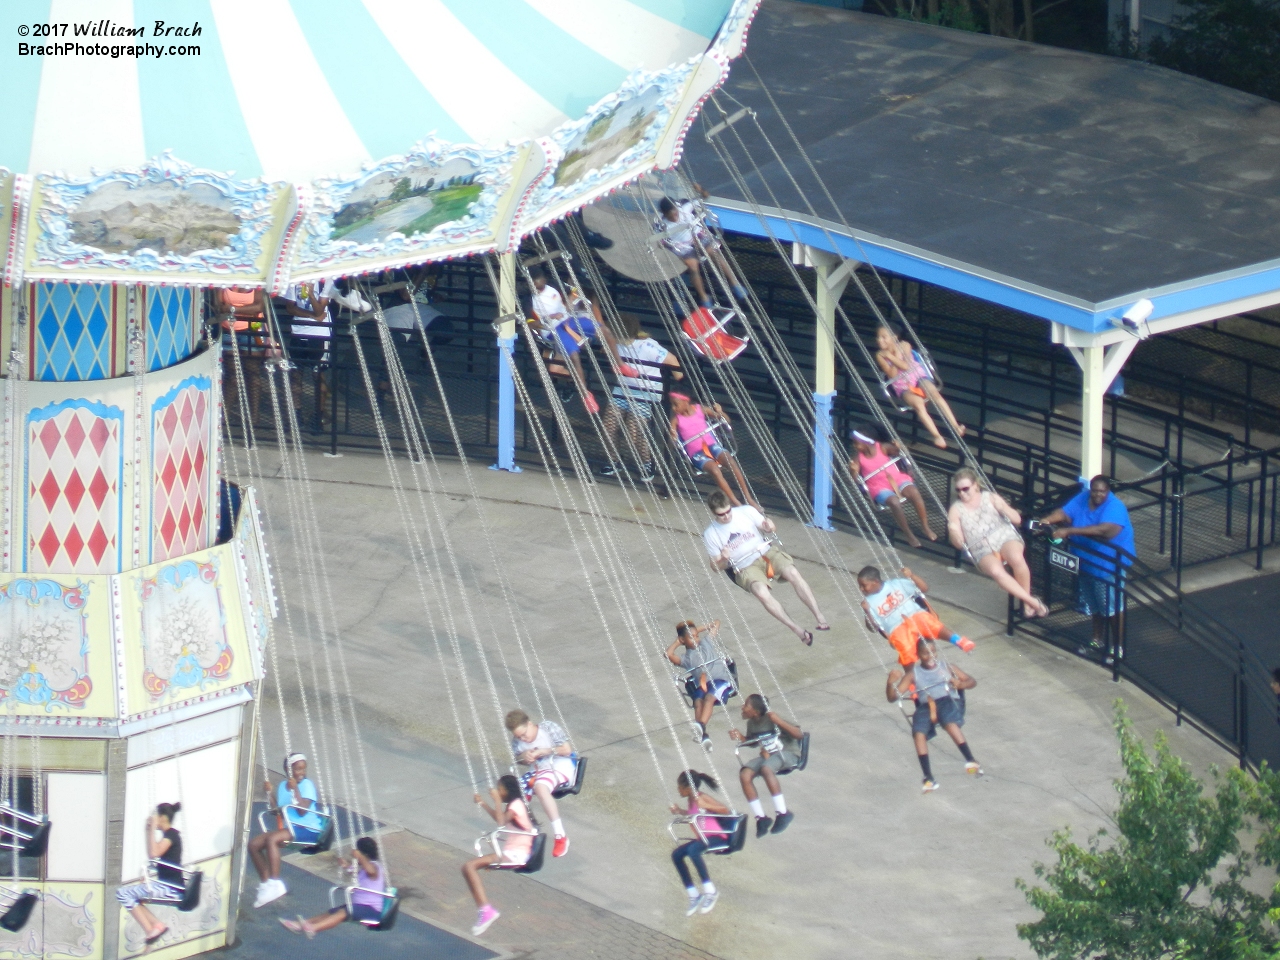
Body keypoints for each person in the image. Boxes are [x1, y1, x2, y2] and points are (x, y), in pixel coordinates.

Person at [703, 491, 830, 645]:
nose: (727, 516)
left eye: (728, 511)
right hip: (745, 566)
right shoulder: (711, 533)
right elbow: (716, 567)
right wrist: (723, 558)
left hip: (765, 552)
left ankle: (819, 616)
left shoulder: (745, 511)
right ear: (714, 513)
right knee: (762, 593)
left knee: (793, 572)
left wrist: (768, 526)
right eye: (721, 514)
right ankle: (796, 629)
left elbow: (769, 527)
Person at [1038, 475, 1136, 648]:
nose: (1098, 494)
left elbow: (1105, 531)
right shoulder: (1084, 497)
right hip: (1085, 563)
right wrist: (1049, 520)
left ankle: (1117, 646)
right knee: (1095, 605)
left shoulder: (1115, 507)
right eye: (1095, 491)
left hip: (1108, 566)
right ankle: (1097, 639)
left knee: (1111, 608)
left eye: (1102, 491)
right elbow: (1065, 512)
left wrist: (1069, 531)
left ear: (1108, 491)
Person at [527, 270, 636, 416]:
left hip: (568, 320)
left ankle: (620, 365)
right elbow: (531, 325)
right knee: (574, 357)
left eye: (540, 283)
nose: (538, 287)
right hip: (553, 329)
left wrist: (569, 302)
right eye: (535, 285)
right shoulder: (528, 301)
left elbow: (575, 292)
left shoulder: (553, 285)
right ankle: (586, 396)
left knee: (605, 331)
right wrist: (549, 318)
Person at [947, 467, 1049, 618]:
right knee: (996, 571)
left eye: (965, 488)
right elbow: (957, 540)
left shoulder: (990, 497)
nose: (962, 493)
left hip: (1003, 535)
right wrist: (955, 534)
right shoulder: (956, 509)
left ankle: (1027, 603)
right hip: (980, 546)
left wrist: (1003, 508)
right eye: (958, 490)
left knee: (1016, 558)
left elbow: (1017, 520)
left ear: (975, 485)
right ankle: (1031, 601)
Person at [887, 638, 981, 792]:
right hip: (926, 705)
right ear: (918, 655)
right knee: (918, 734)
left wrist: (960, 684)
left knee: (949, 723)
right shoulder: (913, 673)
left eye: (933, 652)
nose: (931, 656)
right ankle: (928, 777)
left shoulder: (946, 667)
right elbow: (892, 698)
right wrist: (890, 683)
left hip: (947, 700)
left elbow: (971, 681)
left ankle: (970, 759)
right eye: (925, 654)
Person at [601, 313, 682, 483]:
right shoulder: (614, 342)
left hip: (646, 391)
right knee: (609, 424)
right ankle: (614, 460)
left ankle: (646, 463)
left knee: (634, 429)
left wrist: (681, 382)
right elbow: (605, 344)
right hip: (624, 387)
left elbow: (672, 359)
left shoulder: (648, 346)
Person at [459, 775, 535, 937]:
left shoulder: (517, 805)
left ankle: (486, 910)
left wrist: (497, 801)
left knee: (469, 866)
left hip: (516, 854)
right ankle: (485, 910)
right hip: (514, 853)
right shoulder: (515, 805)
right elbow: (499, 818)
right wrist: (483, 803)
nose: (497, 791)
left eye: (499, 789)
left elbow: (500, 823)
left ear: (507, 790)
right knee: (470, 867)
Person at [856, 565, 973, 668]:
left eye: (863, 585)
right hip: (896, 628)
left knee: (930, 624)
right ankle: (911, 679)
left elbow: (924, 588)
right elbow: (873, 628)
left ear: (875, 582)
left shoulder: (896, 584)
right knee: (906, 650)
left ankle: (959, 641)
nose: (861, 589)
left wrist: (912, 576)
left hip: (915, 615)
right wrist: (867, 612)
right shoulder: (868, 603)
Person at [249, 753, 324, 907]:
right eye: (298, 769)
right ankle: (266, 884)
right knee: (254, 844)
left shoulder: (307, 785)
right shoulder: (283, 786)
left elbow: (302, 810)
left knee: (272, 839)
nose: (301, 773)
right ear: (287, 769)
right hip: (290, 827)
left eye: (303, 769)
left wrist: (295, 788)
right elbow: (278, 811)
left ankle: (275, 883)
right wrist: (269, 794)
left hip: (308, 828)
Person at [874, 324, 965, 450]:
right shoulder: (879, 355)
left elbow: (906, 366)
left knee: (934, 394)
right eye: (878, 337)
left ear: (894, 337)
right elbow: (893, 374)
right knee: (918, 404)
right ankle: (937, 436)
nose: (880, 340)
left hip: (917, 376)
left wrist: (891, 357)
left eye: (884, 337)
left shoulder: (904, 345)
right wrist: (893, 357)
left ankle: (955, 426)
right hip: (902, 385)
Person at [654, 185, 746, 308]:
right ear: (665, 214)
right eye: (671, 215)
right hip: (683, 246)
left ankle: (735, 284)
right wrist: (663, 244)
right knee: (693, 265)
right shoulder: (662, 224)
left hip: (698, 236)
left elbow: (705, 196)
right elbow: (659, 242)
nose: (675, 216)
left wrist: (700, 189)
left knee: (713, 252)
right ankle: (704, 297)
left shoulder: (684, 208)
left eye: (675, 212)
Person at [278, 836, 386, 937]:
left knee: (343, 913)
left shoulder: (375, 866)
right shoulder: (365, 868)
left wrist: (360, 856)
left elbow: (371, 871)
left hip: (372, 910)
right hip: (360, 906)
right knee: (332, 912)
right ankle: (300, 924)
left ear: (365, 854)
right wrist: (347, 866)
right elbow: (361, 875)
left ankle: (313, 928)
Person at [849, 426, 936, 548]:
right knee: (894, 502)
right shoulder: (858, 458)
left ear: (865, 442)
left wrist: (898, 447)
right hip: (878, 486)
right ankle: (909, 534)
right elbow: (854, 479)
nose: (854, 446)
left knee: (914, 492)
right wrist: (853, 471)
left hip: (896, 479)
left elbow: (898, 452)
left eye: (856, 443)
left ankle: (925, 526)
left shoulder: (882, 448)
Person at [728, 694, 799, 838]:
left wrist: (778, 721)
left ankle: (783, 813)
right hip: (770, 756)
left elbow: (799, 734)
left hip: (787, 754)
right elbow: (754, 741)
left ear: (756, 710)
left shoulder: (771, 718)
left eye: (746, 705)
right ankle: (761, 818)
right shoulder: (752, 723)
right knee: (745, 774)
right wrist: (741, 738)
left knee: (766, 769)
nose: (742, 707)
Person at [671, 392, 758, 509]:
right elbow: (672, 441)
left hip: (711, 446)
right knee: (715, 470)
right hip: (697, 454)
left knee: (730, 462)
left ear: (685, 401)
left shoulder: (700, 409)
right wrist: (673, 436)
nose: (673, 408)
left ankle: (748, 498)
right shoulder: (676, 420)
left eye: (676, 404)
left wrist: (719, 412)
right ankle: (735, 502)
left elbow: (726, 421)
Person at [506, 709, 573, 857]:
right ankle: (525, 836)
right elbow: (520, 759)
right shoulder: (517, 743)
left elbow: (566, 749)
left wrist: (543, 751)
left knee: (540, 787)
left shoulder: (548, 728)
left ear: (530, 724)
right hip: (538, 771)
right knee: (515, 797)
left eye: (524, 734)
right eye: (519, 736)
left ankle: (560, 835)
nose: (523, 739)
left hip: (558, 766)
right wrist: (525, 757)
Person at [116, 802, 184, 944]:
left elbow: (154, 853)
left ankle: (151, 930)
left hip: (171, 887)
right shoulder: (170, 835)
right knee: (133, 899)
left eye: (156, 816)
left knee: (122, 893)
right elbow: (152, 855)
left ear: (163, 817)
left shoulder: (171, 835)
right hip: (167, 885)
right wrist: (148, 831)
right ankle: (157, 926)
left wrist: (152, 828)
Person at [669, 770, 730, 916]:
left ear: (688, 788)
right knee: (676, 855)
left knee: (693, 851)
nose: (678, 790)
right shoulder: (691, 800)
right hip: (703, 838)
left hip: (716, 836)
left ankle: (711, 891)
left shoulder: (702, 797)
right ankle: (693, 894)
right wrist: (680, 811)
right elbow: (693, 814)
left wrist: (705, 804)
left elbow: (725, 810)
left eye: (680, 787)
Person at [666, 619, 735, 748]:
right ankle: (703, 735)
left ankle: (701, 726)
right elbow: (668, 654)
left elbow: (716, 623)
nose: (696, 639)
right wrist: (677, 641)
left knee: (709, 698)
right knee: (698, 702)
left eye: (696, 636)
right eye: (691, 638)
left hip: (720, 680)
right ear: (683, 641)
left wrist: (695, 630)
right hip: (703, 685)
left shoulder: (706, 643)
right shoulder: (686, 659)